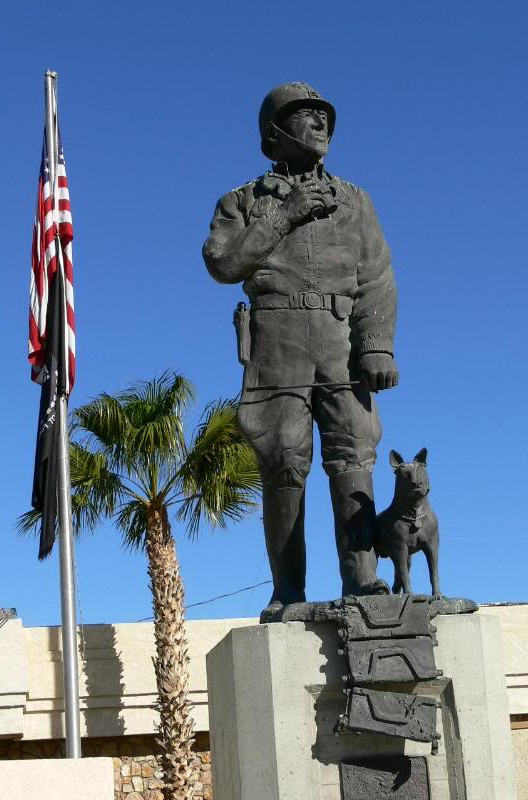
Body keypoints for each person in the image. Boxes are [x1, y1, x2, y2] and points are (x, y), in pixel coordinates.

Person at [203, 82, 399, 616]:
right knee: (284, 460)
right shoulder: (242, 200)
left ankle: (363, 583)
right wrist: (281, 216)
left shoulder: (355, 200)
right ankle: (288, 592)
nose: (320, 124)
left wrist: (376, 346)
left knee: (354, 452)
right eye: (305, 116)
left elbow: (377, 278)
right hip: (278, 340)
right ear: (274, 133)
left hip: (341, 343)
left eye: (324, 116)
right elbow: (223, 264)